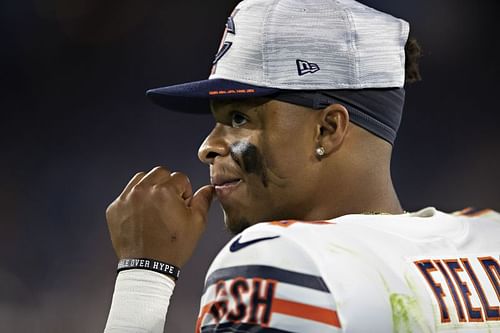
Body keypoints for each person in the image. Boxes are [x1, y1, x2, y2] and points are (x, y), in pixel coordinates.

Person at [104, 0, 500, 332]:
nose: (207, 147)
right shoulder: (488, 238)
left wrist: (144, 274)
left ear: (328, 129)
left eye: (240, 118)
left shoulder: (280, 259)